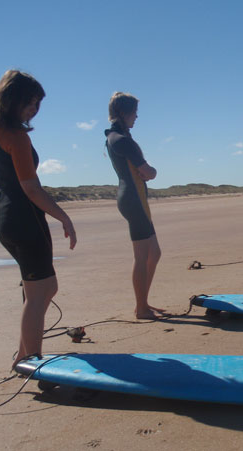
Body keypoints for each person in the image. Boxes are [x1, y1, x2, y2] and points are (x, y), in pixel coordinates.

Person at [0, 70, 77, 368]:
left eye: (37, 103)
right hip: (25, 218)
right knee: (39, 292)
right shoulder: (16, 136)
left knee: (44, 288)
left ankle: (24, 354)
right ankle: (31, 361)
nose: (34, 108)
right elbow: (31, 188)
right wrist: (64, 217)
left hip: (5, 219)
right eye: (29, 101)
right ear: (11, 99)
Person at [105, 92, 163, 319]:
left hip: (133, 198)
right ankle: (141, 308)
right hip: (133, 199)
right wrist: (154, 172)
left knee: (154, 253)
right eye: (134, 112)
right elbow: (147, 171)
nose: (136, 117)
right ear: (124, 112)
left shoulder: (114, 136)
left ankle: (143, 302)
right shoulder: (122, 139)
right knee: (142, 255)